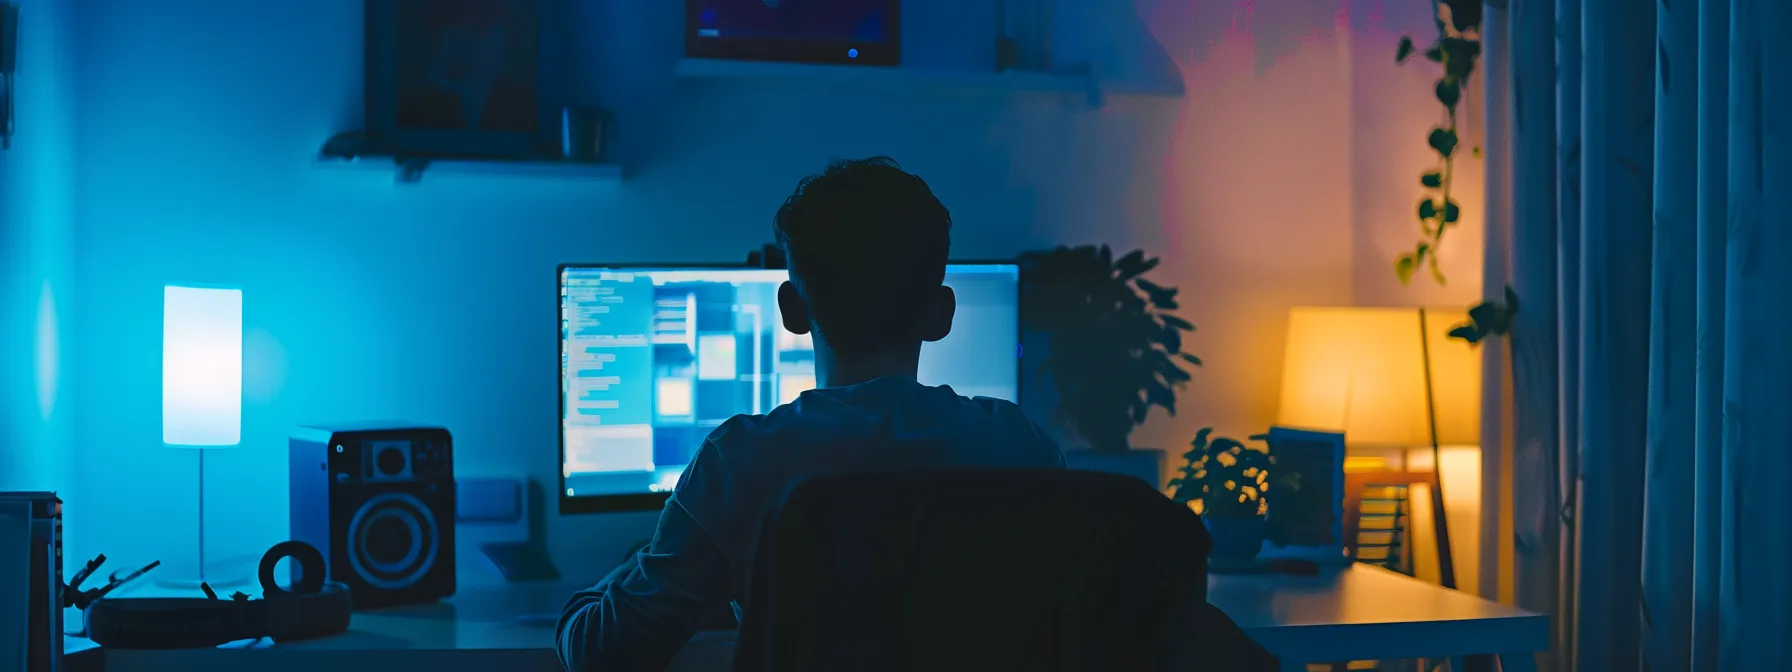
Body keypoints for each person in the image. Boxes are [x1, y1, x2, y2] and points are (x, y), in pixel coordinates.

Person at [556, 157, 1066, 671]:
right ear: (942, 314)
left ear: (791, 310)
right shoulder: (1021, 447)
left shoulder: (737, 463)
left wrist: (618, 577)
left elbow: (602, 653)